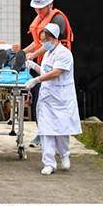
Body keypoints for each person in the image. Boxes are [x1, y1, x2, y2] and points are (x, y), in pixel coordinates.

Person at [24, 23, 81, 176]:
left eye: (45, 40)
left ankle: (64, 154)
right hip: (47, 97)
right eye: (42, 41)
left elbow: (56, 72)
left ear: (54, 39)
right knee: (45, 130)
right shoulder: (48, 53)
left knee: (62, 130)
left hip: (61, 97)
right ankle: (49, 163)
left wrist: (37, 80)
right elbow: (46, 70)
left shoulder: (64, 54)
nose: (43, 44)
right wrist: (34, 66)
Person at [22, 0, 74, 149]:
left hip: (58, 67)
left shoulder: (57, 19)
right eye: (36, 7)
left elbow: (50, 44)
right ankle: (43, 132)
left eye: (40, 7)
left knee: (57, 103)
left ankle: (59, 139)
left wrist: (31, 55)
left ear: (50, 4)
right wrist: (23, 53)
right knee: (40, 101)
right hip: (43, 66)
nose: (37, 10)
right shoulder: (40, 19)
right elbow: (38, 42)